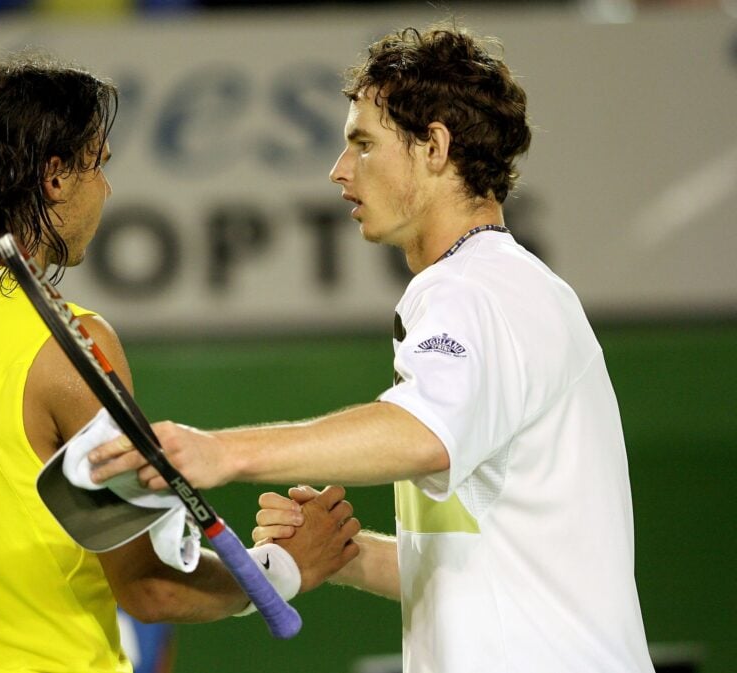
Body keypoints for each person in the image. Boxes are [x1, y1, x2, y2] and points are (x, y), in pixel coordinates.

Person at [88, 25, 656, 673]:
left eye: (362, 144)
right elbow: (481, 567)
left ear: (435, 147)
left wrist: (224, 451)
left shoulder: (474, 289)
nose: (338, 170)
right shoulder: (501, 288)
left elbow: (423, 433)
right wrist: (347, 554)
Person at [0, 54, 359, 672]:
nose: (105, 188)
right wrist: (286, 568)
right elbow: (151, 586)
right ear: (55, 177)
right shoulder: (67, 349)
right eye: (97, 165)